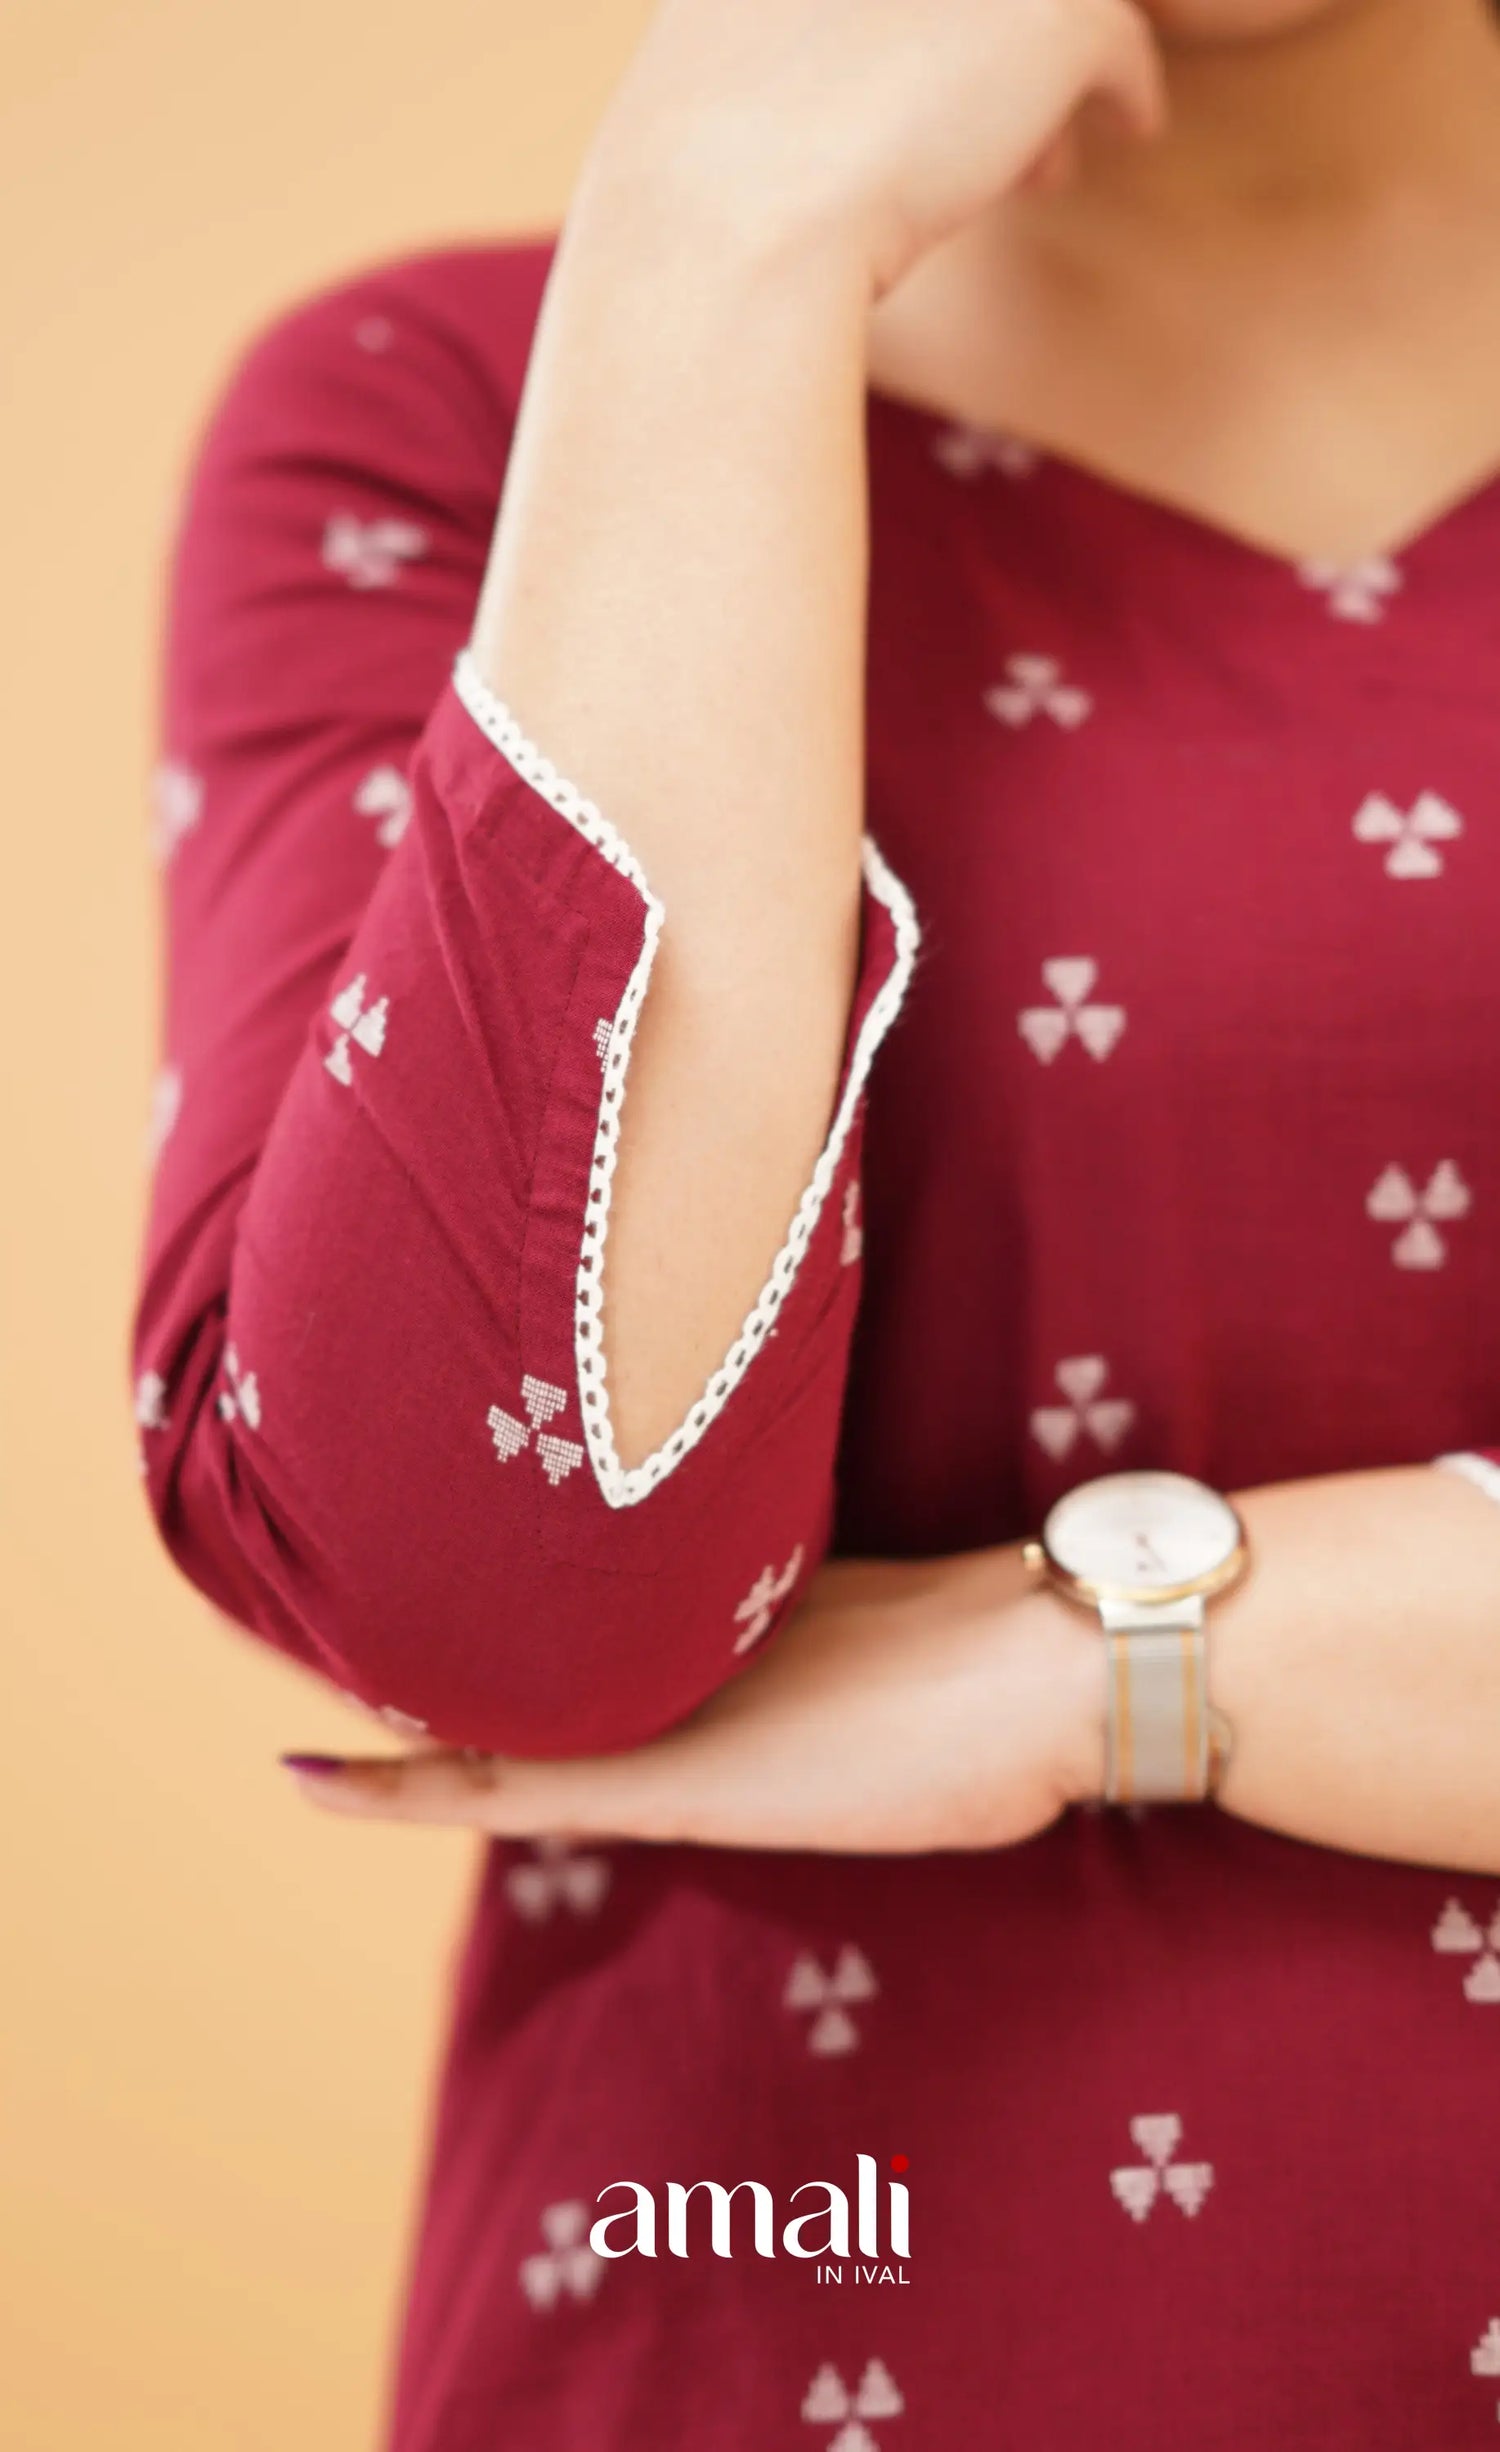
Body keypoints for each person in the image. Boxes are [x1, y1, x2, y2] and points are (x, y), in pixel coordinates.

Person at [132, 0, 1500, 2441]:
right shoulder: (455, 410)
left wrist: (1100, 1668)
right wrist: (721, 225)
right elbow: (498, 1569)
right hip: (781, 2305)